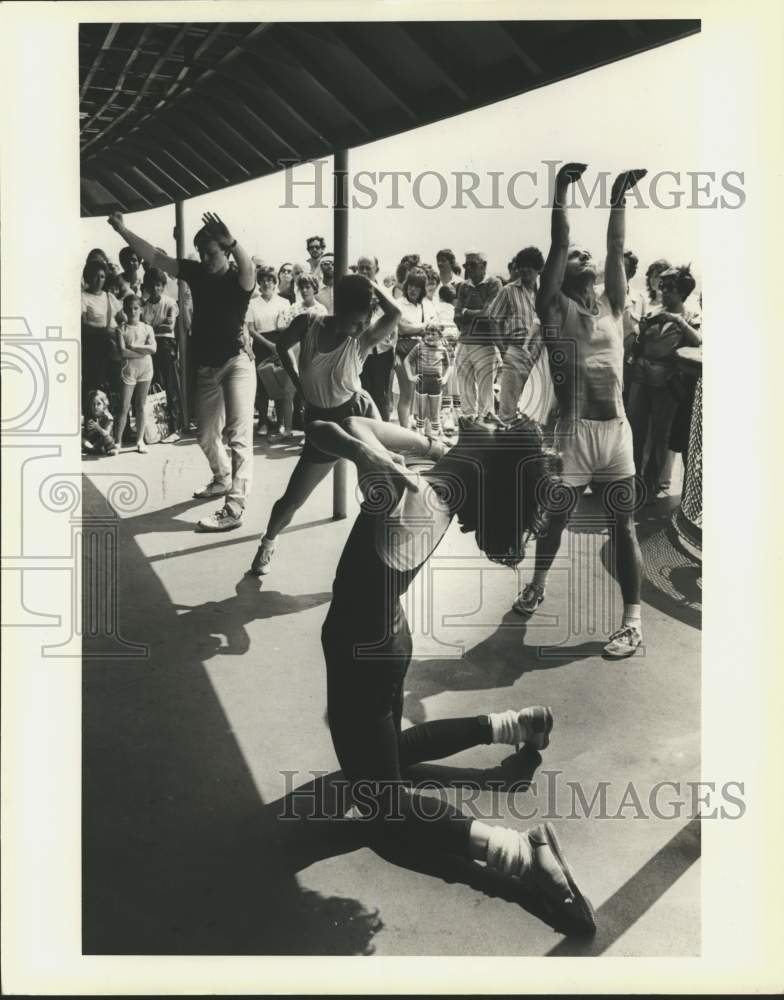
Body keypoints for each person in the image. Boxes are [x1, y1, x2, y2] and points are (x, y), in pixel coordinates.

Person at [303, 413, 596, 936]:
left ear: (480, 459)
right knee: (390, 754)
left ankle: (521, 854)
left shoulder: (406, 493)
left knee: (381, 805)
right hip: (389, 639)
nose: (483, 418)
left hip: (357, 653)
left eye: (489, 426)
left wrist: (368, 455)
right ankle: (513, 725)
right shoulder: (433, 487)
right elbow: (359, 421)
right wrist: (431, 445)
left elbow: (327, 428)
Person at [512, 163, 647, 660]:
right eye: (575, 257)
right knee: (555, 522)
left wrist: (618, 195)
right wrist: (561, 189)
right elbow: (560, 244)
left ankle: (632, 622)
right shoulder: (553, 309)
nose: (583, 255)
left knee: (623, 526)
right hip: (572, 435)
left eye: (583, 256)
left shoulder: (614, 303)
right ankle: (537, 584)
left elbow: (613, 246)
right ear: (561, 274)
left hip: (616, 433)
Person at [107, 209, 256, 531]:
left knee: (239, 436)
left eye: (212, 252)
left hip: (236, 363)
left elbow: (248, 268)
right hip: (207, 367)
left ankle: (235, 506)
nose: (206, 258)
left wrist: (231, 240)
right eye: (202, 253)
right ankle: (221, 478)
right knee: (204, 434)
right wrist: (123, 230)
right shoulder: (198, 272)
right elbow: (157, 257)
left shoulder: (238, 279)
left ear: (226, 251)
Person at [249, 274, 400, 576]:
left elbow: (395, 314)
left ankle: (382, 560)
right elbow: (282, 348)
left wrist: (368, 281)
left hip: (358, 415)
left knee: (379, 490)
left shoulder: (363, 340)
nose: (361, 329)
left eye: (365, 322)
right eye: (356, 321)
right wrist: (297, 382)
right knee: (292, 499)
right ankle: (267, 542)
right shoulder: (308, 323)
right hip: (321, 422)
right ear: (339, 310)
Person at [627, 266, 702, 501]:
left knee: (661, 435)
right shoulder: (654, 311)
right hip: (642, 374)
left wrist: (676, 321)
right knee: (635, 430)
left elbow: (699, 341)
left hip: (667, 380)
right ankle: (634, 480)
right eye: (662, 287)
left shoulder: (691, 315)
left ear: (682, 292)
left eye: (669, 288)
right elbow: (639, 342)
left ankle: (652, 483)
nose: (663, 292)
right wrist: (641, 331)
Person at [488, 246, 552, 426]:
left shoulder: (546, 293)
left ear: (538, 268)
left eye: (530, 266)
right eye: (522, 266)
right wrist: (502, 350)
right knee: (508, 406)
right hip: (516, 351)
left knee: (536, 406)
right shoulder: (508, 291)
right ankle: (505, 449)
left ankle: (531, 448)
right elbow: (494, 320)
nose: (525, 270)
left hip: (541, 355)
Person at [454, 252, 503, 422]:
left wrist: (467, 312)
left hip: (484, 343)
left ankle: (485, 425)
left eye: (472, 265)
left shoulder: (494, 283)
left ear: (484, 265)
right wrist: (474, 314)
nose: (468, 269)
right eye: (466, 265)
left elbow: (489, 314)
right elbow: (456, 316)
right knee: (465, 388)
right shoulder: (462, 287)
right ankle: (469, 425)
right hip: (464, 342)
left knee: (485, 390)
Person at [246, 266, 290, 436]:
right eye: (263, 280)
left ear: (274, 282)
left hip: (279, 345)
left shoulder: (284, 302)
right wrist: (268, 345)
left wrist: (277, 346)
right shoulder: (252, 303)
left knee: (280, 383)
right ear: (259, 283)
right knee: (262, 386)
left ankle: (280, 423)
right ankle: (263, 422)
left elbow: (286, 326)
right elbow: (251, 329)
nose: (266, 283)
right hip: (261, 345)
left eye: (270, 280)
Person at [394, 268, 439, 430]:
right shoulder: (398, 304)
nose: (413, 289)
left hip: (424, 353)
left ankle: (426, 433)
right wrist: (422, 327)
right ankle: (405, 433)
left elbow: (434, 329)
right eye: (411, 285)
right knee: (406, 395)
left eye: (418, 286)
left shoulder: (427, 305)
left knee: (423, 395)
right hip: (403, 353)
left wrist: (415, 328)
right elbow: (402, 330)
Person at [142, 266, 182, 442]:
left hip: (166, 344)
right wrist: (154, 327)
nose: (156, 288)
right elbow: (142, 327)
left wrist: (151, 327)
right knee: (154, 385)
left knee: (171, 384)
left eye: (159, 285)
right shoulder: (144, 304)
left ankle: (176, 427)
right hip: (150, 346)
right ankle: (158, 428)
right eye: (153, 285)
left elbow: (169, 326)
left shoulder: (170, 301)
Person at [112, 294, 156, 453]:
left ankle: (139, 441)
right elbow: (123, 352)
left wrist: (135, 347)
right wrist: (142, 351)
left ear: (141, 309)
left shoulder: (147, 328)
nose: (133, 311)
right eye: (129, 309)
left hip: (146, 369)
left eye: (136, 308)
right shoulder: (121, 329)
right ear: (124, 310)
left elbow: (153, 348)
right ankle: (117, 442)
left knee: (141, 405)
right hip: (129, 370)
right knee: (124, 407)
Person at [358, 255, 397, 422]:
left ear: (377, 270)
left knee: (381, 395)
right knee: (361, 393)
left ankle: (384, 432)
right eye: (362, 268)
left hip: (382, 352)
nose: (365, 271)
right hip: (359, 352)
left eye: (369, 268)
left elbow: (394, 322)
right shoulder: (354, 294)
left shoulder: (386, 294)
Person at [81, 259, 122, 410]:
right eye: (95, 276)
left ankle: (116, 427)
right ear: (88, 277)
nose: (99, 280)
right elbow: (84, 324)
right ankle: (95, 426)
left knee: (115, 385)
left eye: (103, 276)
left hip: (112, 345)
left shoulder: (109, 296)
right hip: (94, 348)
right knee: (96, 387)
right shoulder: (83, 297)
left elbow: (122, 318)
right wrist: (104, 329)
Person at [403, 323, 452, 438]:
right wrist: (411, 376)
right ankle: (420, 438)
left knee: (434, 414)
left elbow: (449, 366)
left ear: (440, 336)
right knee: (421, 413)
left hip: (436, 383)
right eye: (427, 334)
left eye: (433, 334)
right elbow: (407, 360)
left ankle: (434, 438)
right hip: (422, 382)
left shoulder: (443, 350)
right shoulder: (419, 347)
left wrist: (445, 378)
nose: (429, 336)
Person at [621, 250, 646, 407]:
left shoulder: (640, 299)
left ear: (632, 272)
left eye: (623, 266)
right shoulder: (597, 293)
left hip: (627, 363)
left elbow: (641, 333)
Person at [82, 389, 118, 456]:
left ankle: (110, 449)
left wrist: (97, 427)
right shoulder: (89, 415)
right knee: (81, 439)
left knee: (108, 438)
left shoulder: (108, 417)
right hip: (93, 440)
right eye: (93, 404)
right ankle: (93, 449)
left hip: (104, 440)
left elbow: (106, 433)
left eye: (98, 404)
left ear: (104, 405)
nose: (95, 407)